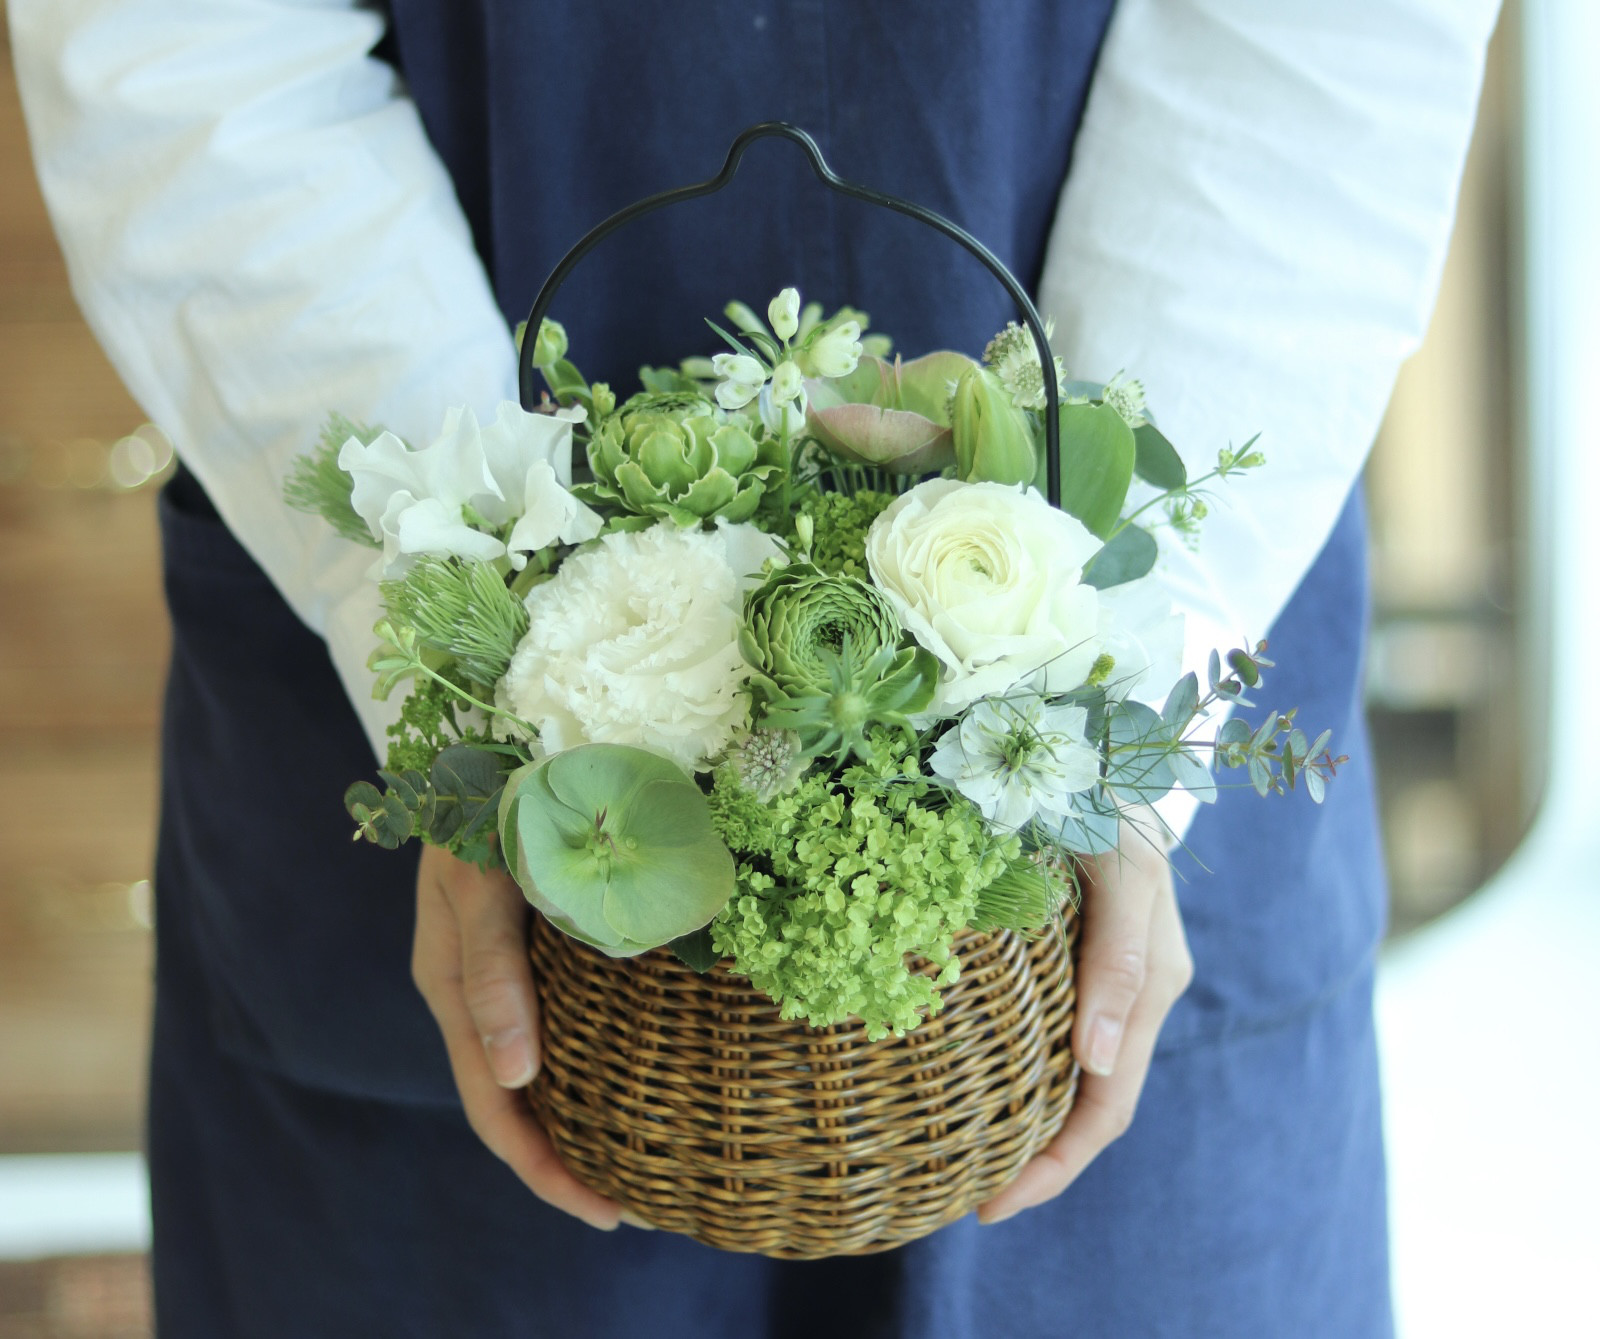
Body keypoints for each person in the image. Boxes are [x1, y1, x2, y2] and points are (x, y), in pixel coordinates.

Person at [12, 1, 1501, 1334]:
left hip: (1128, 706)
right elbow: (179, 35)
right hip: (439, 785)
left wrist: (1097, 685)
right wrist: (476, 665)